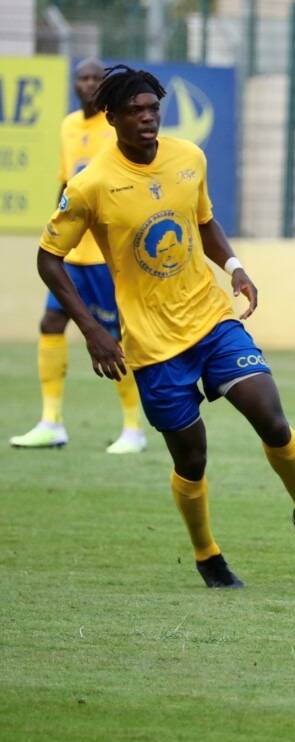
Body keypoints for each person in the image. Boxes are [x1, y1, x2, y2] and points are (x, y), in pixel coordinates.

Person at [36, 65, 295, 588]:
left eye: (153, 109)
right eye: (135, 111)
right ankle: (208, 555)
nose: (147, 119)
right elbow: (49, 258)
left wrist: (235, 269)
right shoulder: (91, 183)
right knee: (192, 459)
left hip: (211, 320)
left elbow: (205, 222)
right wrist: (93, 329)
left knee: (272, 419)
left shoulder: (189, 157)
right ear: (111, 117)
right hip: (153, 344)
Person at [10, 57, 147, 454]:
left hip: (108, 255)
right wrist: (56, 231)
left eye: (95, 79)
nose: (88, 84)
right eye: (82, 78)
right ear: (74, 84)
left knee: (118, 336)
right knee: (51, 321)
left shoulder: (115, 126)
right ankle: (51, 421)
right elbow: (66, 185)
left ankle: (133, 427)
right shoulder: (69, 126)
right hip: (72, 254)